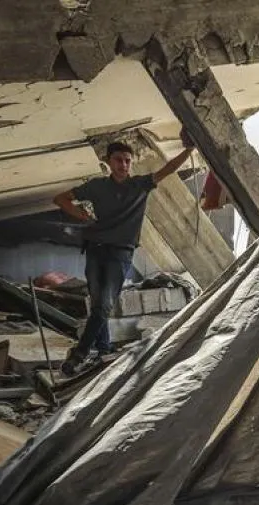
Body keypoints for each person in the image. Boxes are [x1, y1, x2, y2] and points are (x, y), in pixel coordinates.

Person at [55, 137, 197, 374]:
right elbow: (60, 199)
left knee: (103, 306)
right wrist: (80, 214)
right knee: (98, 305)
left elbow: (169, 169)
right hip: (95, 249)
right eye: (119, 160)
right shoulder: (97, 186)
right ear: (109, 162)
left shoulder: (139, 185)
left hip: (120, 253)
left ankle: (79, 355)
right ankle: (103, 348)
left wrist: (189, 149)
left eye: (127, 161)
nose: (123, 165)